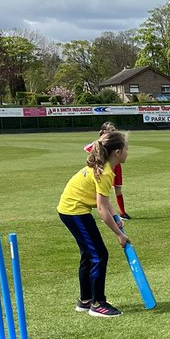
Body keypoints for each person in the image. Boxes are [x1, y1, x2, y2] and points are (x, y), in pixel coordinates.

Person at [57, 128, 130, 316]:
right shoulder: (105, 172)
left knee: (89, 254)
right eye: (126, 148)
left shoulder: (105, 169)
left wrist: (116, 218)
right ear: (117, 152)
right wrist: (119, 235)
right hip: (74, 211)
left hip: (70, 209)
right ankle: (97, 304)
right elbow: (101, 209)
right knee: (99, 255)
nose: (128, 152)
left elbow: (105, 202)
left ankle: (85, 300)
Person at [85, 120, 130, 219]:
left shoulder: (116, 141)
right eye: (110, 130)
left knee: (118, 189)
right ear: (104, 131)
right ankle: (106, 213)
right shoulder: (102, 143)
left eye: (113, 130)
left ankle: (122, 213)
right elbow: (87, 148)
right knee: (103, 191)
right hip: (104, 167)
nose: (112, 132)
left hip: (116, 166)